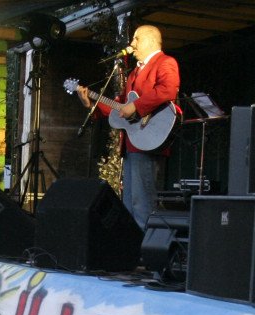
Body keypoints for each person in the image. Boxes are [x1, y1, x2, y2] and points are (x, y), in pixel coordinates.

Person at [76, 25, 180, 231]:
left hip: (149, 141)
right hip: (134, 143)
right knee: (130, 201)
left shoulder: (165, 62)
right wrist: (92, 104)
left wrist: (137, 106)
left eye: (137, 39)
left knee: (142, 202)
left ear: (151, 40)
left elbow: (167, 90)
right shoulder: (134, 73)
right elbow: (120, 106)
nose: (132, 44)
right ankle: (133, 242)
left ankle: (145, 244)